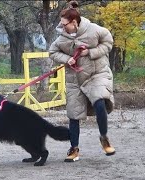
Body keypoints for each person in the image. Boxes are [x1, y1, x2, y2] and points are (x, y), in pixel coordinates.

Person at [49, 0, 116, 162]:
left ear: (74, 22)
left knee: (99, 101)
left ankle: (104, 138)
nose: (62, 27)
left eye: (65, 24)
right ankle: (74, 149)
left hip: (97, 73)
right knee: (74, 114)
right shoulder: (61, 38)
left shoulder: (94, 30)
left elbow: (108, 42)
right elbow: (52, 52)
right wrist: (67, 59)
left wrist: (91, 52)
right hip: (75, 80)